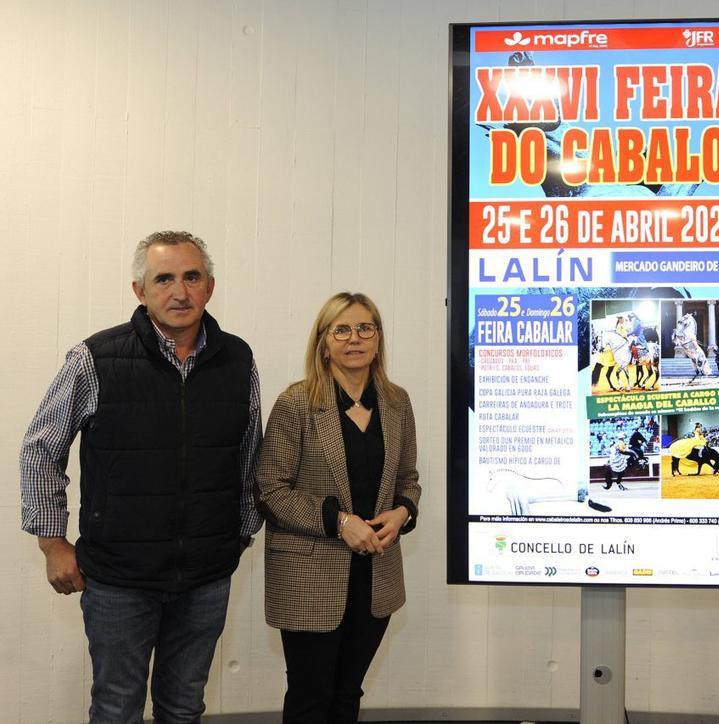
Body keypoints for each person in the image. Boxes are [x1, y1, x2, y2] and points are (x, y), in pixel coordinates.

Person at [18, 229, 262, 723]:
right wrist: (52, 542)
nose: (180, 291)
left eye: (192, 277)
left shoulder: (238, 360)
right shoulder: (95, 358)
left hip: (206, 578)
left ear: (209, 286)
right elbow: (41, 448)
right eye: (164, 278)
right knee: (116, 707)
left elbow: (249, 454)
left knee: (184, 706)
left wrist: (240, 531)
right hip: (118, 581)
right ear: (140, 290)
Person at [254, 292, 421, 723]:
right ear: (324, 342)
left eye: (365, 328)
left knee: (348, 694)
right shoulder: (297, 403)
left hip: (375, 575)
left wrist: (403, 512)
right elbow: (270, 489)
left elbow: (408, 480)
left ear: (378, 338)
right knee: (311, 697)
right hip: (310, 578)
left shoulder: (398, 403)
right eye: (341, 329)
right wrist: (338, 521)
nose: (354, 338)